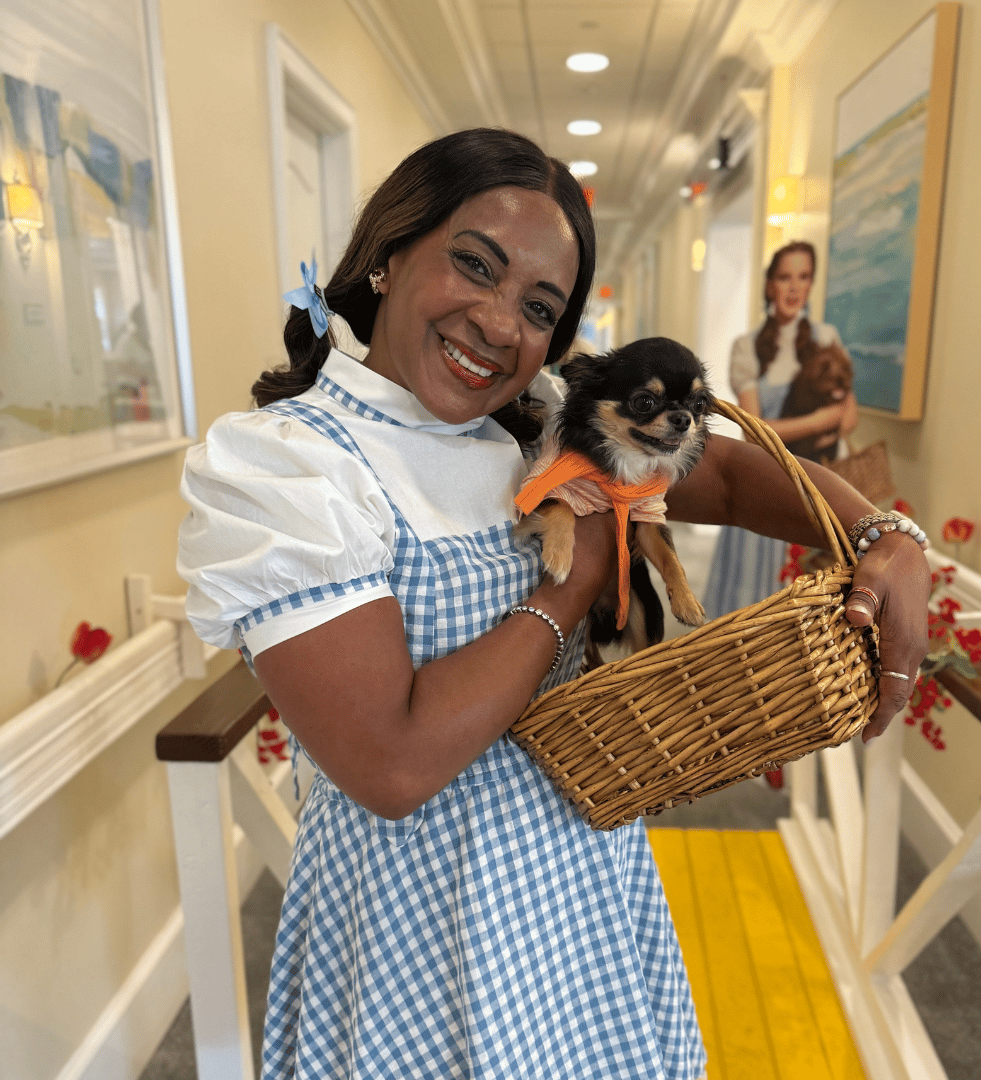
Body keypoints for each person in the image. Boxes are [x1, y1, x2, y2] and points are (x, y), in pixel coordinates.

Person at [177, 130, 929, 1080]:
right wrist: (575, 579)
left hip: (582, 871)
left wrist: (882, 534)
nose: (499, 323)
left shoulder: (532, 418)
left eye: (538, 306)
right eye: (474, 264)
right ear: (390, 250)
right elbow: (394, 763)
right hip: (422, 923)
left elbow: (730, 478)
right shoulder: (289, 465)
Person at [702, 241, 858, 618]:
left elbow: (850, 416)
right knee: (753, 610)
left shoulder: (827, 338)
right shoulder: (747, 346)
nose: (793, 287)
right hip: (766, 485)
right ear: (770, 284)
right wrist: (822, 421)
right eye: (785, 277)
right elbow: (754, 433)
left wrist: (827, 425)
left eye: (803, 277)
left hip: (817, 489)